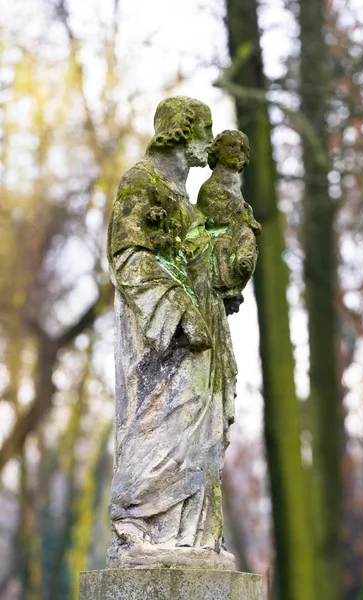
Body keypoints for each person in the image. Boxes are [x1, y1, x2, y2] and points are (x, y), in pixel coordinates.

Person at [106, 97, 236, 570]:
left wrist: (233, 254)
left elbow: (207, 265)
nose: (209, 143)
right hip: (163, 335)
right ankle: (136, 523)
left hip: (205, 332)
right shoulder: (142, 182)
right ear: (183, 133)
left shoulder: (187, 196)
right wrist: (176, 308)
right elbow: (128, 255)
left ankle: (190, 537)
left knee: (201, 422)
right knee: (164, 417)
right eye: (205, 131)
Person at [196, 129, 261, 310]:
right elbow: (213, 217)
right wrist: (239, 214)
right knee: (232, 241)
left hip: (235, 234)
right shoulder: (210, 187)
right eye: (232, 146)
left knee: (248, 236)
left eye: (242, 148)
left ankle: (243, 261)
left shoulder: (235, 188)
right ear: (218, 150)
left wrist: (245, 215)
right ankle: (237, 264)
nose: (238, 151)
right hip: (218, 241)